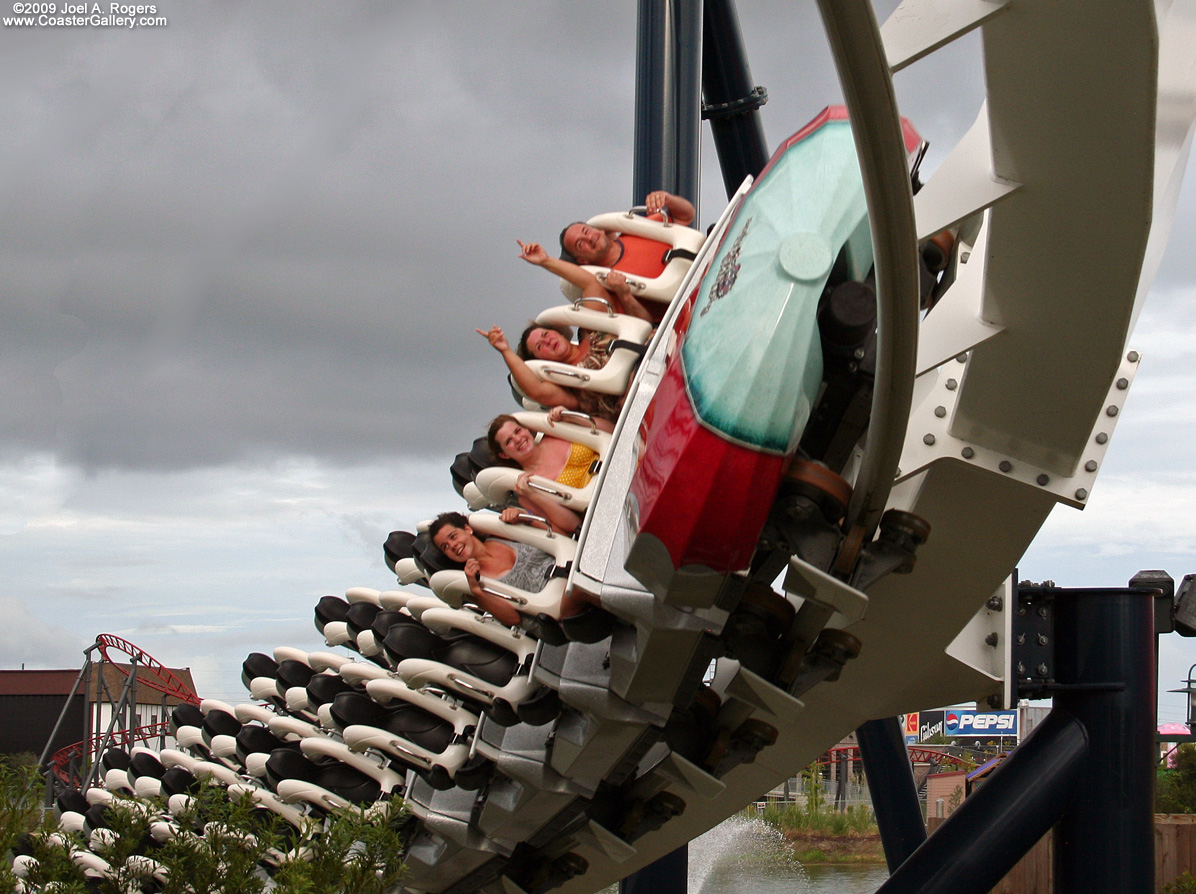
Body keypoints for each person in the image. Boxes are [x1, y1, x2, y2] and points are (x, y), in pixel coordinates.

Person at [428, 511, 559, 628]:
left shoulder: (502, 535)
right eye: (445, 547)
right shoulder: (474, 583)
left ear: (468, 529)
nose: (452, 546)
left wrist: (523, 517)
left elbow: (556, 534)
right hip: (554, 610)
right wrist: (476, 591)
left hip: (567, 571)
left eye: (453, 536)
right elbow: (512, 619)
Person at [485, 411, 599, 534]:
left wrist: (570, 417)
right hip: (599, 507)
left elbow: (608, 432)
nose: (518, 439)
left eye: (518, 431)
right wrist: (533, 495)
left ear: (527, 429)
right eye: (508, 441)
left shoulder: (556, 433)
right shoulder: (527, 491)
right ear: (504, 454)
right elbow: (574, 526)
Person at [558, 190, 696, 275]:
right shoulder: (609, 284)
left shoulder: (638, 231)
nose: (589, 238)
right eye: (581, 244)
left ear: (598, 229)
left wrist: (667, 199)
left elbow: (685, 215)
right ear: (583, 260)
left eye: (586, 231)